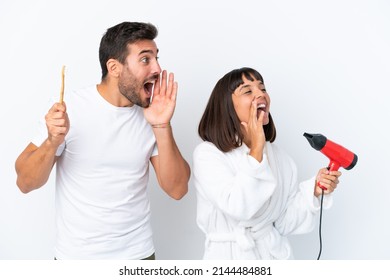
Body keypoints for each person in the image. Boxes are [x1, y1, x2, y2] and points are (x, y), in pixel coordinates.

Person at [15, 21, 190, 260]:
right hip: (76, 259)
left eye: (157, 58)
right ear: (114, 67)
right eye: (145, 59)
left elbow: (177, 189)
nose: (157, 68)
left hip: (138, 256)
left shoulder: (150, 114)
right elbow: (25, 182)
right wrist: (52, 142)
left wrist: (161, 124)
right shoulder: (70, 109)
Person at [193, 67, 342, 259]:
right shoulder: (208, 154)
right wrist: (256, 150)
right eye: (248, 91)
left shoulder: (281, 159)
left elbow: (284, 223)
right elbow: (238, 207)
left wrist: (313, 190)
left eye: (262, 89)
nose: (260, 94)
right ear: (226, 106)